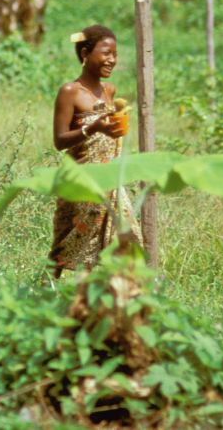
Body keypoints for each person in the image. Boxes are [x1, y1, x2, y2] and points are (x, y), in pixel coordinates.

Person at [48, 24, 143, 277]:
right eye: (106, 53)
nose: (112, 60)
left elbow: (109, 133)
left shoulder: (109, 91)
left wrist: (115, 128)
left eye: (115, 54)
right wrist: (95, 128)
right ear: (85, 54)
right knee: (74, 244)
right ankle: (55, 295)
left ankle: (120, 298)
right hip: (82, 180)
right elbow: (59, 140)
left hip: (110, 180)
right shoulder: (70, 92)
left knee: (127, 237)